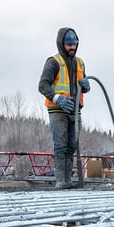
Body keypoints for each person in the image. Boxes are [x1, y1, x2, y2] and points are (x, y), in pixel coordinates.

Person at [38, 27, 90, 189]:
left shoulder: (80, 62)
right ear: (62, 44)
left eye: (74, 44)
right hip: (58, 110)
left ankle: (68, 180)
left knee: (72, 145)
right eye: (69, 44)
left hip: (75, 110)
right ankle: (61, 181)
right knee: (60, 145)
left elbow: (83, 86)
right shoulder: (53, 62)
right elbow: (42, 85)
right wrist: (57, 98)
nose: (72, 47)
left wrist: (86, 86)